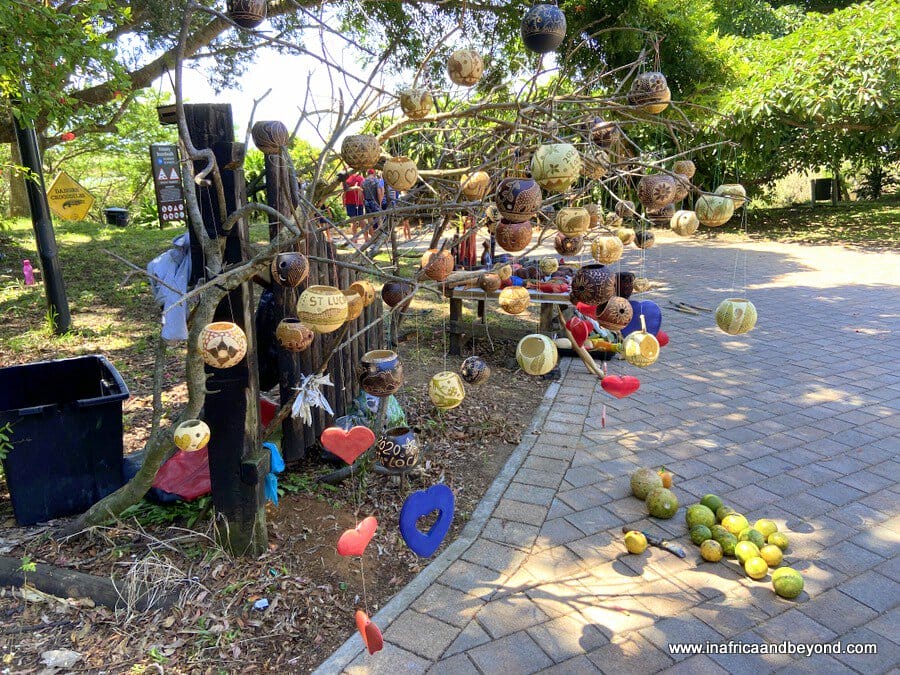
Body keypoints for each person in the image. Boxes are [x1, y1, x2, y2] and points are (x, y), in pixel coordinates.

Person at [362, 169, 384, 241]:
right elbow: (379, 193)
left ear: (367, 174)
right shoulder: (376, 181)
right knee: (379, 219)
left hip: (366, 202)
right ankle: (380, 236)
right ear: (373, 173)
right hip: (375, 202)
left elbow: (361, 193)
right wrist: (380, 202)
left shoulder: (363, 182)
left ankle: (372, 238)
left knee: (370, 221)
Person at [341, 171, 364, 240]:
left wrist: (343, 203)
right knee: (361, 220)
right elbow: (361, 192)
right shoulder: (361, 178)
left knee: (353, 221)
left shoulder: (346, 179)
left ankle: (355, 238)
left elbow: (344, 192)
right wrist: (362, 201)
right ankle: (366, 238)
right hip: (359, 202)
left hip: (349, 202)